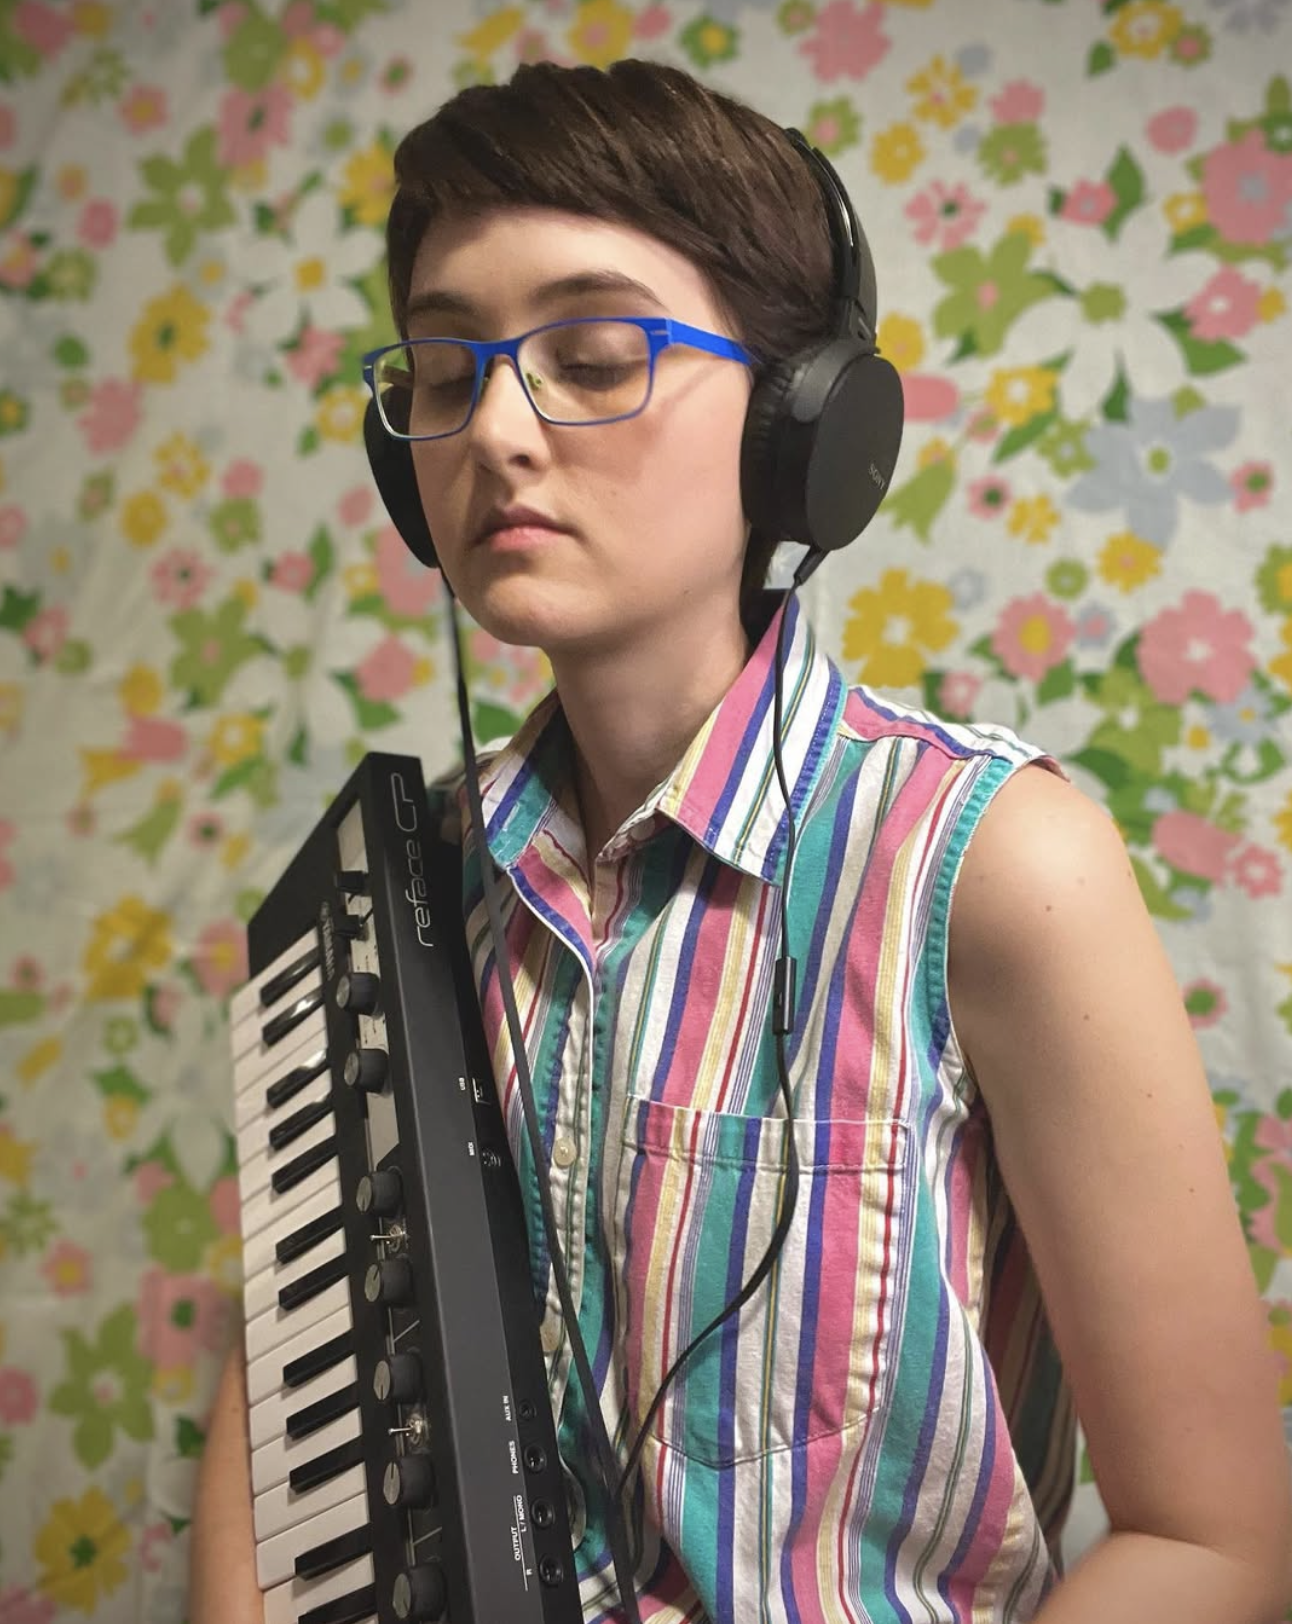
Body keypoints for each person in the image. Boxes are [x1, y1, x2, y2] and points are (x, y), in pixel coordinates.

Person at [191, 57, 1292, 1624]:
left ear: (807, 428)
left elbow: (1216, 1544)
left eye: (592, 353)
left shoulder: (991, 868)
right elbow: (284, 1395)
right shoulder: (404, 893)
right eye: (446, 369)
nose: (496, 428)